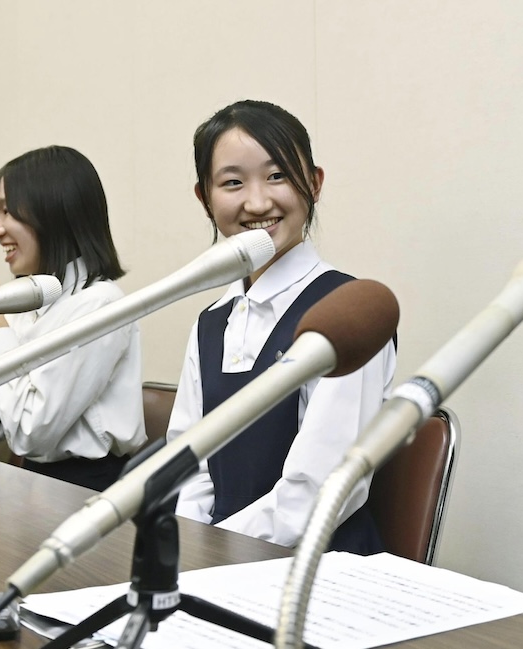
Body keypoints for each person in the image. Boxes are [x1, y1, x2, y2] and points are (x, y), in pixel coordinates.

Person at [166, 99, 396, 554]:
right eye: (233, 182)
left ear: (313, 183)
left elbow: (318, 491)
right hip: (217, 569)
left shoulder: (347, 315)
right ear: (205, 198)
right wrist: (186, 550)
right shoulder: (212, 322)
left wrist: (212, 555)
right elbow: (187, 466)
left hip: (318, 575)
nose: (258, 201)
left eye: (277, 176)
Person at [0, 146, 145, 491]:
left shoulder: (100, 304)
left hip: (87, 491)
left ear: (56, 212)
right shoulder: (24, 307)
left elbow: (30, 435)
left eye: (7, 212)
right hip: (23, 487)